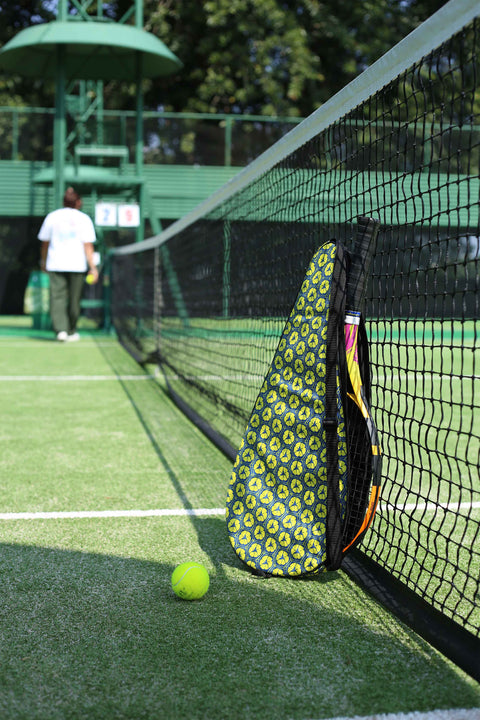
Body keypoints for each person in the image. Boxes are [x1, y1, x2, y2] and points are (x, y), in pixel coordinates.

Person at [38, 187, 98, 342]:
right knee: (74, 299)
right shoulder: (84, 219)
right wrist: (93, 267)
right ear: (78, 202)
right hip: (75, 265)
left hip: (58, 263)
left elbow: (45, 244)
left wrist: (43, 261)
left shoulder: (52, 217)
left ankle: (62, 331)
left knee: (57, 298)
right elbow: (88, 246)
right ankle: (69, 330)